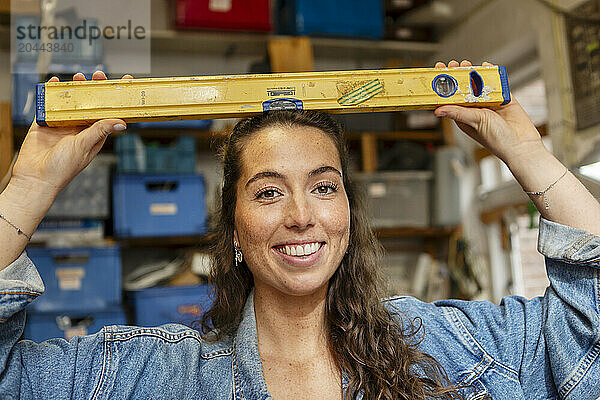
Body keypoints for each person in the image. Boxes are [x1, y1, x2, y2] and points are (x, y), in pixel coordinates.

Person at [0, 60, 598, 400]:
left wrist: (529, 154)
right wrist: (29, 186)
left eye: (323, 186)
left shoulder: (451, 347)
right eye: (267, 192)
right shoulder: (146, 376)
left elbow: (586, 326)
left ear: (347, 211)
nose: (301, 215)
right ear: (232, 226)